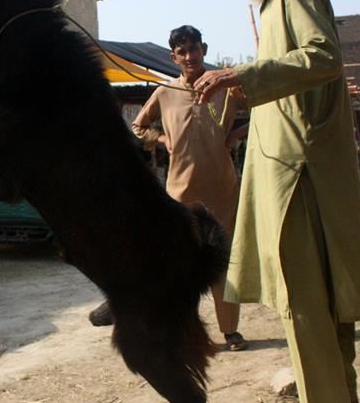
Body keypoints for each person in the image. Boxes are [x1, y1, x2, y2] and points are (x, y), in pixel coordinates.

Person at [193, 0, 360, 403]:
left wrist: (239, 75)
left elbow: (322, 58)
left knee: (303, 306)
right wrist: (238, 88)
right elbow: (294, 76)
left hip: (300, 176)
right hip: (292, 172)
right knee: (324, 306)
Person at [89, 25, 249, 351]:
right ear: (174, 56)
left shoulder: (225, 86)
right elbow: (137, 125)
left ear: (204, 49)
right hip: (181, 193)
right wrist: (161, 139)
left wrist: (233, 137)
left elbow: (261, 108)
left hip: (223, 191)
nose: (190, 56)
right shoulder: (165, 92)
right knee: (181, 266)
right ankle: (186, 333)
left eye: (195, 49)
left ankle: (230, 331)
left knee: (222, 262)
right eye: (183, 51)